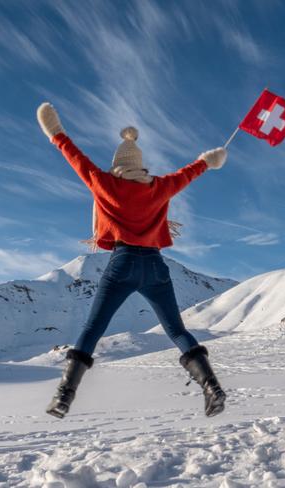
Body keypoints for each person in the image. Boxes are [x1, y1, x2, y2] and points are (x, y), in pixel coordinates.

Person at [36, 102, 227, 418]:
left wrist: (56, 133)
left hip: (122, 263)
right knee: (177, 331)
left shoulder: (105, 183)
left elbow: (75, 158)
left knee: (94, 328)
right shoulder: (160, 187)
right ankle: (212, 388)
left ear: (117, 166)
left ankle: (63, 397)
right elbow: (188, 173)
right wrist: (208, 161)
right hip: (155, 266)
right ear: (141, 165)